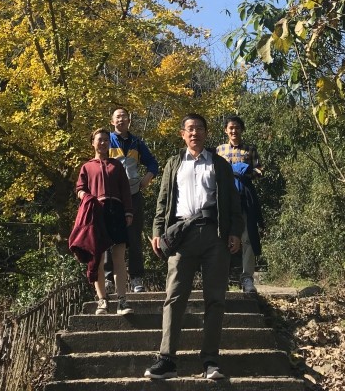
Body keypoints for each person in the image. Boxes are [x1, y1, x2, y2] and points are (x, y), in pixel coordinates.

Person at [144, 114, 243, 381]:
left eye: (199, 128)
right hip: (182, 236)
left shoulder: (219, 164)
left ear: (206, 133)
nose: (195, 133)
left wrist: (235, 232)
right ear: (182, 134)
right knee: (174, 297)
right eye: (190, 129)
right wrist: (157, 232)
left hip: (215, 235)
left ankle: (210, 360)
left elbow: (233, 202)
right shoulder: (174, 163)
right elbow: (163, 200)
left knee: (215, 299)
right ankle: (167, 359)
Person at [75, 128, 134, 315]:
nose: (103, 143)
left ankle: (122, 301)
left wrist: (128, 212)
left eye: (106, 140)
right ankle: (102, 301)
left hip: (117, 211)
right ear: (93, 142)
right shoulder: (86, 167)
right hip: (96, 212)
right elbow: (80, 188)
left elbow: (125, 190)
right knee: (98, 258)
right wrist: (86, 196)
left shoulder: (117, 165)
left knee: (119, 259)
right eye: (99, 139)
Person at [105, 107, 159, 293]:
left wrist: (147, 178)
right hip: (111, 196)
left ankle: (136, 278)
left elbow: (152, 163)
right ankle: (108, 278)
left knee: (134, 237)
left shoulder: (137, 142)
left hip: (133, 194)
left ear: (129, 120)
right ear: (112, 121)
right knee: (109, 236)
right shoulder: (107, 140)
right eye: (117, 117)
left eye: (124, 117)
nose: (121, 120)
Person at [217, 115, 263, 295]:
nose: (234, 131)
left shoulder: (250, 149)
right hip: (223, 199)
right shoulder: (219, 150)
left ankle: (247, 278)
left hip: (245, 198)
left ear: (242, 130)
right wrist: (232, 170)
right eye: (231, 128)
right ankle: (221, 279)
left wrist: (245, 170)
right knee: (221, 237)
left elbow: (260, 170)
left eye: (237, 127)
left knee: (247, 237)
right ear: (225, 130)